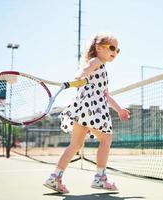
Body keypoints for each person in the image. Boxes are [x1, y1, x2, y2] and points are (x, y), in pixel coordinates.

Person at [44, 33, 130, 193]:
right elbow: (84, 70)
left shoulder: (102, 67)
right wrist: (79, 76)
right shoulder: (96, 61)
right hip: (92, 108)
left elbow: (106, 95)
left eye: (118, 50)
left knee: (75, 144)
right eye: (112, 48)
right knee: (106, 138)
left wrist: (119, 109)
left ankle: (54, 177)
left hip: (83, 110)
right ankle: (100, 178)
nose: (115, 52)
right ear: (98, 48)